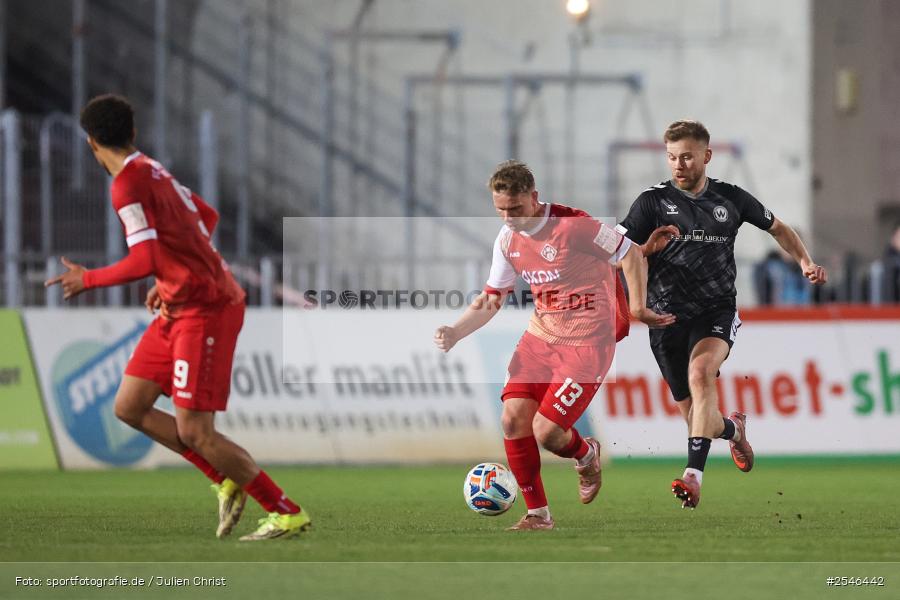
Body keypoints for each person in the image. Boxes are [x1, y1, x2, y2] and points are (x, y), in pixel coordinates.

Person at [45, 94, 309, 541]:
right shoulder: (151, 168)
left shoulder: (125, 187)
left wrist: (88, 280)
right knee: (129, 406)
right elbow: (206, 215)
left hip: (206, 310)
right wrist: (175, 274)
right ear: (132, 133)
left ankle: (285, 511)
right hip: (179, 304)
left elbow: (143, 257)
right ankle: (223, 478)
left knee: (196, 430)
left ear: (91, 142)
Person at [434, 160, 675, 530]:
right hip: (540, 338)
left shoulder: (573, 227)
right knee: (513, 419)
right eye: (500, 210)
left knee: (547, 432)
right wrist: (456, 330)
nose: (509, 218)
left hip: (587, 342)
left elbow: (629, 254)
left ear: (534, 197)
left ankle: (585, 453)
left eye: (515, 209)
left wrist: (639, 306)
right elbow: (492, 296)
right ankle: (538, 515)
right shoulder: (507, 240)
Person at [618, 120, 827, 509]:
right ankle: (734, 431)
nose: (678, 165)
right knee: (700, 419)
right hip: (665, 320)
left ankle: (692, 478)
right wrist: (646, 249)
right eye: (671, 157)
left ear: (706, 156)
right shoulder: (650, 202)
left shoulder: (730, 199)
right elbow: (617, 254)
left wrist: (805, 261)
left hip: (715, 310)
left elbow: (778, 228)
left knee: (701, 374)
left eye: (686, 156)